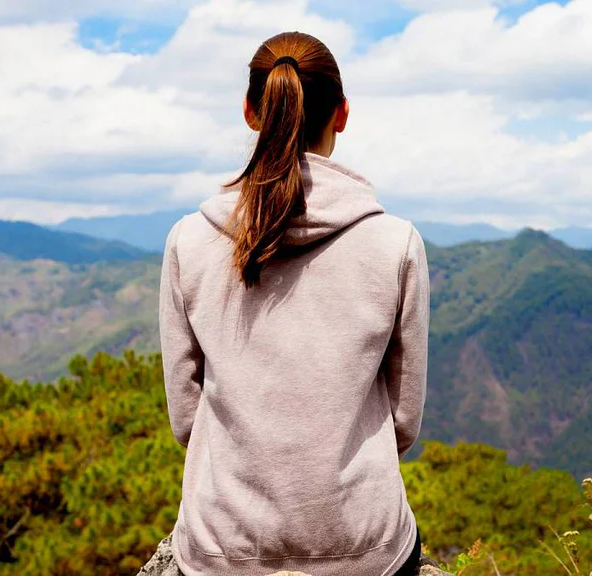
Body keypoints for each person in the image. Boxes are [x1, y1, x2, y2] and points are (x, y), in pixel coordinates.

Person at [158, 31, 430, 576]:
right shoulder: (396, 243)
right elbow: (404, 419)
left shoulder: (189, 240)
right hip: (364, 546)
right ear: (343, 114)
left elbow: (186, 418)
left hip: (223, 547)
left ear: (250, 112)